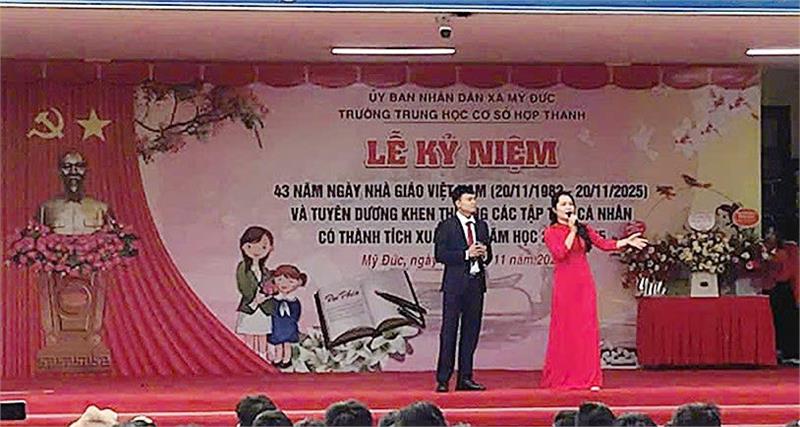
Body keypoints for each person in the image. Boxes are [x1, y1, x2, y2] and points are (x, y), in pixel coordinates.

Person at [541, 191, 647, 390]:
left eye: (570, 203)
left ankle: (589, 378)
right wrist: (572, 230)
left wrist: (626, 242)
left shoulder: (584, 229)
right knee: (566, 330)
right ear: (554, 209)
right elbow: (560, 253)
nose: (568, 207)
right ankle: (564, 376)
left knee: (586, 329)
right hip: (564, 285)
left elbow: (604, 244)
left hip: (584, 283)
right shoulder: (550, 232)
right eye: (563, 204)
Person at [434, 185, 493, 392]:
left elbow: (489, 256)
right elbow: (440, 255)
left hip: (476, 284)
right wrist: (466, 254)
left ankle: (465, 378)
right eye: (469, 199)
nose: (473, 202)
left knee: (471, 332)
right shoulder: (447, 226)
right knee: (449, 331)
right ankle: (443, 378)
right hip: (454, 286)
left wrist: (484, 253)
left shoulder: (482, 226)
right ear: (458, 203)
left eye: (474, 199)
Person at [235, 226, 276, 360]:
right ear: (243, 247)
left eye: (263, 247)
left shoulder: (266, 271)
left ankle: (263, 360)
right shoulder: (243, 267)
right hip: (250, 308)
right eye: (251, 246)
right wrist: (255, 299)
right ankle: (249, 360)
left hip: (264, 309)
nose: (257, 251)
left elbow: (272, 287)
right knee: (250, 336)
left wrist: (267, 296)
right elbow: (243, 286)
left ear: (270, 248)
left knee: (262, 335)